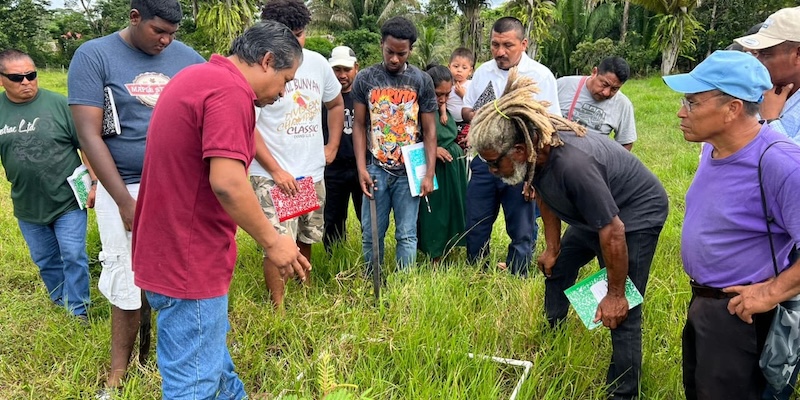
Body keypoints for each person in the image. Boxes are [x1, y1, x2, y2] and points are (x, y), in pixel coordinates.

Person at [131, 21, 309, 399]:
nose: (283, 92)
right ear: (266, 60)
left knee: (213, 366)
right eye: (286, 79)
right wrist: (273, 241)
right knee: (193, 385)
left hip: (168, 250)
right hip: (189, 260)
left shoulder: (198, 77)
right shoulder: (229, 92)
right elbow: (227, 182)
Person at [469, 69, 668, 399]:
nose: (492, 172)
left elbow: (613, 230)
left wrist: (615, 293)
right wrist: (553, 245)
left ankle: (624, 392)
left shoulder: (572, 165)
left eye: (494, 164)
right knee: (557, 267)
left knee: (623, 311)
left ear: (518, 150)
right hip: (596, 215)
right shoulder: (536, 152)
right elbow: (546, 193)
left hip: (633, 217)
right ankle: (554, 334)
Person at [67, 0, 205, 391]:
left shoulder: (187, 58)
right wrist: (125, 202)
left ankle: (176, 359)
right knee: (124, 275)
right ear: (134, 18)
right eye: (158, 31)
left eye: (172, 34)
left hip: (180, 184)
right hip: (123, 185)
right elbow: (89, 135)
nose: (166, 40)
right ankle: (119, 372)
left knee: (181, 275)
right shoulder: (94, 56)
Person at [663, 50, 800, 400]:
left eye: (692, 102)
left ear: (732, 109)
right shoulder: (713, 150)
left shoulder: (780, 162)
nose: (681, 111)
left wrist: (769, 293)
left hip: (743, 315)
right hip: (705, 304)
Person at [252, 0, 343, 306]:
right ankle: (278, 308)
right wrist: (276, 170)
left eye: (300, 34)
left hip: (309, 173)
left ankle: (303, 294)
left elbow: (335, 104)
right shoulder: (259, 70)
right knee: (278, 242)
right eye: (287, 35)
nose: (295, 42)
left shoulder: (317, 64)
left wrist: (331, 146)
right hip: (272, 175)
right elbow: (246, 128)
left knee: (306, 237)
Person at [461, 16, 561, 277]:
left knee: (522, 228)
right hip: (484, 164)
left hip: (520, 167)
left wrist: (533, 176)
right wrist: (487, 115)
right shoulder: (483, 71)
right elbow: (467, 109)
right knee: (476, 223)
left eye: (508, 45)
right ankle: (476, 273)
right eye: (495, 45)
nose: (500, 52)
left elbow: (549, 128)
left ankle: (518, 276)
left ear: (523, 43)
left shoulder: (541, 76)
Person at [0, 49, 92, 321]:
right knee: (45, 260)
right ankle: (60, 299)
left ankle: (78, 310)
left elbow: (86, 146)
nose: (26, 81)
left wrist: (95, 181)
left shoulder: (60, 105)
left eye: (31, 75)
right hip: (27, 203)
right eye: (17, 77)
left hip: (68, 199)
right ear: (2, 79)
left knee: (73, 254)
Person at [352, 16, 438, 272]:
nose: (394, 59)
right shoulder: (366, 78)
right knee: (372, 234)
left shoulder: (421, 81)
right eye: (390, 52)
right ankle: (372, 280)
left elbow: (430, 131)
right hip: (375, 168)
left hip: (409, 172)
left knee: (407, 234)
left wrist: (429, 173)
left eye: (401, 53)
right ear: (382, 45)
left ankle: (404, 284)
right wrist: (361, 169)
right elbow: (358, 125)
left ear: (411, 50)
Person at [417, 65, 467, 262]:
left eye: (447, 94)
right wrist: (432, 149)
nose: (443, 99)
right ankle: (434, 254)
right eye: (439, 94)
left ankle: (449, 248)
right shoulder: (418, 108)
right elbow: (411, 137)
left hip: (452, 168)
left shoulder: (444, 109)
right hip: (432, 168)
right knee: (433, 212)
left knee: (451, 209)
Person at [735, 7, 800, 138]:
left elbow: (793, 158)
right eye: (756, 53)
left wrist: (770, 119)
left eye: (765, 54)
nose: (757, 61)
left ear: (798, 54)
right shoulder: (754, 92)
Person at [323, 46, 362, 251]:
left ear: (356, 68)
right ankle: (334, 259)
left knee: (367, 217)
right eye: (337, 70)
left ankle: (369, 258)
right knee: (332, 218)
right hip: (333, 169)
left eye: (346, 69)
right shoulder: (325, 99)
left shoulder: (363, 97)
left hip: (360, 167)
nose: (342, 75)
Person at [557, 56, 636, 150]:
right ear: (594, 72)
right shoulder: (563, 85)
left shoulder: (623, 104)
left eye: (614, 89)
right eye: (604, 84)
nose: (606, 93)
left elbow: (626, 143)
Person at [447, 47, 474, 151]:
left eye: (464, 68)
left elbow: (474, 104)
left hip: (465, 123)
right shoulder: (447, 85)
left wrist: (463, 95)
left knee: (464, 145)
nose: (459, 70)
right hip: (450, 122)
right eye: (456, 66)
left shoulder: (471, 85)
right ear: (449, 67)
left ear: (470, 71)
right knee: (451, 147)